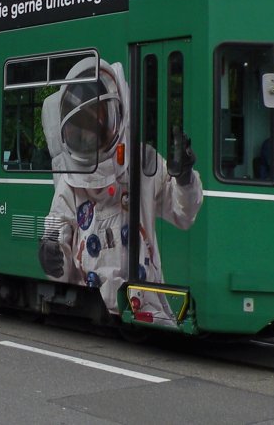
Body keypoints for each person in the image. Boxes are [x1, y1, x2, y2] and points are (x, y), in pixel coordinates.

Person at [37, 58, 203, 325]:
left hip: (145, 308)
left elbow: (183, 214)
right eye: (82, 128)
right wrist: (51, 252)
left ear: (116, 115)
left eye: (96, 123)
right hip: (89, 309)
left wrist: (184, 180)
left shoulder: (143, 164)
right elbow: (58, 235)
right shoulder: (71, 179)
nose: (89, 135)